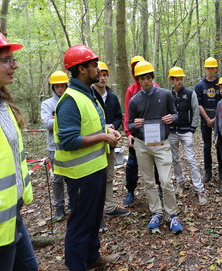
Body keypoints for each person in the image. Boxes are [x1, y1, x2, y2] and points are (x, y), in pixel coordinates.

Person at [54, 44, 121, 270]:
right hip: (81, 174)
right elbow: (68, 140)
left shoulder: (88, 94)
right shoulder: (70, 100)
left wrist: (107, 129)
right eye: (94, 65)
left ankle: (92, 257)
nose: (98, 70)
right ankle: (77, 265)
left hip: (96, 168)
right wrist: (103, 136)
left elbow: (89, 126)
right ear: (81, 69)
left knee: (93, 219)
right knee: (81, 222)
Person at [0, 25, 37, 271]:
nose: (15, 66)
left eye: (13, 60)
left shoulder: (2, 106)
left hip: (12, 216)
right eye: (7, 60)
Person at [128, 60, 183, 233]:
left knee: (166, 181)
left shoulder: (165, 94)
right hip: (142, 144)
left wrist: (171, 118)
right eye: (141, 78)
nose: (145, 81)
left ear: (152, 77)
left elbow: (175, 114)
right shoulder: (134, 99)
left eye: (148, 77)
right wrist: (134, 125)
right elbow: (129, 124)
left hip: (161, 143)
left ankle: (172, 215)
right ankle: (156, 212)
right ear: (138, 80)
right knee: (148, 181)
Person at [122, 55, 161, 208]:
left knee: (157, 161)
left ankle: (160, 188)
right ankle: (130, 191)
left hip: (154, 133)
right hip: (137, 134)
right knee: (132, 164)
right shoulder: (131, 91)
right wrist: (128, 133)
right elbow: (128, 114)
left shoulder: (156, 88)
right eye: (135, 67)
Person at [92, 62, 129, 221]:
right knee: (94, 178)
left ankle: (109, 206)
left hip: (110, 142)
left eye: (105, 75)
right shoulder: (89, 95)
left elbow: (118, 116)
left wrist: (114, 126)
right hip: (92, 143)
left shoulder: (112, 96)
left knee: (109, 175)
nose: (102, 78)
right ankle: (95, 211)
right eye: (99, 75)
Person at [167, 66, 207, 206]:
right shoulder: (168, 95)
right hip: (172, 132)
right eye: (176, 79)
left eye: (180, 79)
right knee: (175, 159)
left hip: (186, 131)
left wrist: (192, 128)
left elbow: (195, 110)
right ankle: (180, 182)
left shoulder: (190, 93)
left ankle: (199, 189)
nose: (179, 81)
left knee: (191, 159)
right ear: (172, 80)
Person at [41, 70, 69, 223]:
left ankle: (73, 205)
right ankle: (59, 207)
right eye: (57, 86)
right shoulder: (46, 104)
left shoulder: (71, 100)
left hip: (70, 145)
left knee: (71, 177)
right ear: (52, 87)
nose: (60, 89)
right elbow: (48, 123)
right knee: (57, 179)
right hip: (54, 147)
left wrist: (57, 119)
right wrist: (63, 119)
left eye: (62, 86)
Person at [195, 57, 222, 183]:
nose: (210, 70)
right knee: (206, 146)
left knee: (219, 145)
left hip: (220, 118)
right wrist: (207, 119)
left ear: (216, 68)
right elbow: (198, 104)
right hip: (205, 118)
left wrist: (216, 119)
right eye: (208, 68)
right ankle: (208, 172)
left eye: (212, 68)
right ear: (205, 69)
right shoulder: (200, 85)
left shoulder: (221, 83)